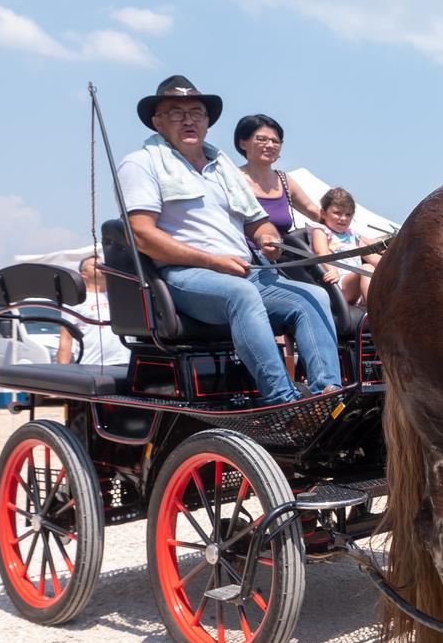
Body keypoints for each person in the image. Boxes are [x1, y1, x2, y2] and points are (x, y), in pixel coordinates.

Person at [116, 75, 340, 404]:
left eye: (196, 112)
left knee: (313, 297)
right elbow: (142, 235)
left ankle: (328, 395)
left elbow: (258, 223)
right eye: (176, 112)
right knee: (242, 294)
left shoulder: (223, 168)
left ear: (207, 122)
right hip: (185, 274)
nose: (188, 119)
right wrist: (211, 261)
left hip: (245, 269)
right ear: (157, 122)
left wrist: (267, 239)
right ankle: (282, 400)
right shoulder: (141, 163)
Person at [232, 114, 337, 278]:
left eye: (275, 141)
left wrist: (360, 239)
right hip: (247, 263)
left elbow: (315, 212)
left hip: (284, 262)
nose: (270, 145)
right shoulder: (232, 179)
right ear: (242, 143)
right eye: (262, 139)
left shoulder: (284, 180)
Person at [311, 187, 382, 305]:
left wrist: (393, 265)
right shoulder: (321, 231)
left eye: (348, 214)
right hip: (338, 284)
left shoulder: (352, 235)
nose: (343, 218)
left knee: (372, 268)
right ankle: (374, 310)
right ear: (323, 213)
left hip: (358, 284)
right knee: (366, 268)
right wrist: (332, 270)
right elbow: (321, 253)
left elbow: (371, 257)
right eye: (337, 213)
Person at [56, 255, 129, 365]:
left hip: (126, 362)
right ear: (84, 274)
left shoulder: (119, 295)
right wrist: (62, 371)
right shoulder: (76, 300)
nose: (101, 267)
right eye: (95, 265)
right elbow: (66, 338)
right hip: (92, 365)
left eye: (102, 264)